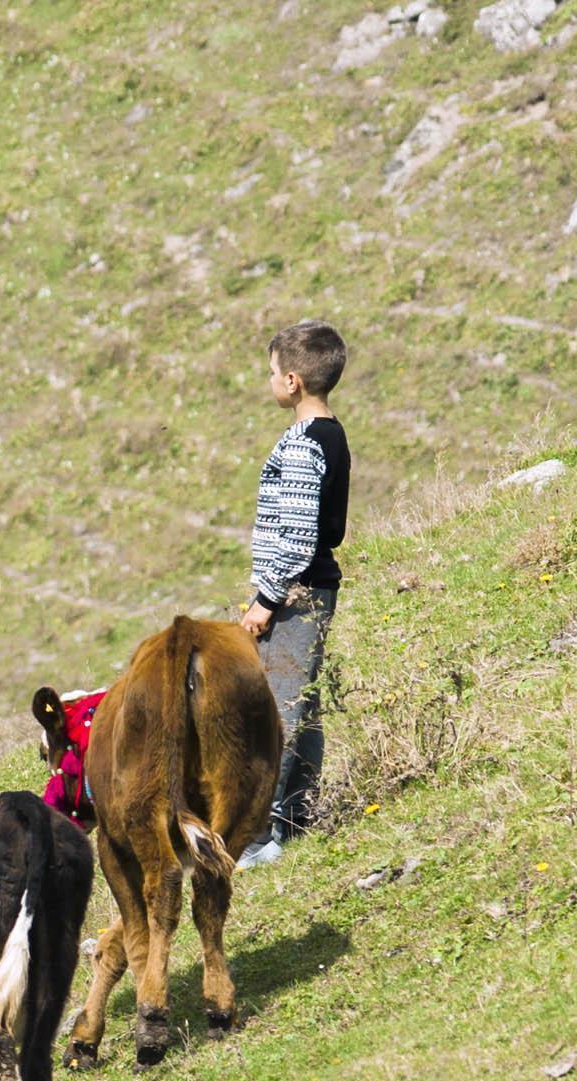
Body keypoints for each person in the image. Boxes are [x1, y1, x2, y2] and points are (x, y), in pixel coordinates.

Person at [239, 319, 353, 864]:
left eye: (269, 373)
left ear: (291, 382)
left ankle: (258, 837)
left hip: (294, 593)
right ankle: (298, 817)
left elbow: (299, 534)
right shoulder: (332, 431)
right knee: (300, 705)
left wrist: (266, 598)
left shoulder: (307, 442)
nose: (267, 381)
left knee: (275, 711)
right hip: (307, 588)